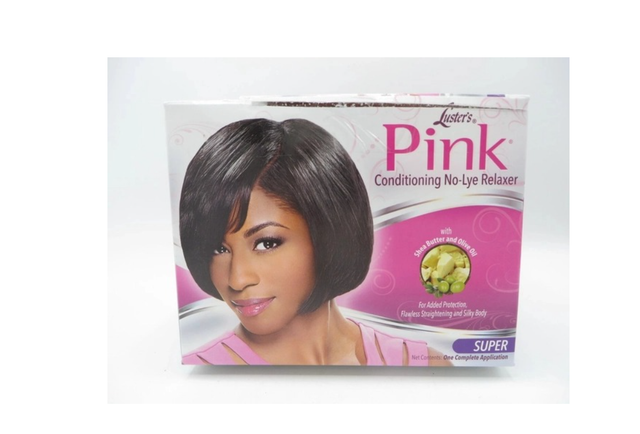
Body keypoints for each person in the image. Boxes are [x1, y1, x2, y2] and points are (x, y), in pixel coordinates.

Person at [179, 118, 450, 366]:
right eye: (219, 249)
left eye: (266, 243)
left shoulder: (419, 363)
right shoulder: (206, 379)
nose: (237, 280)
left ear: (329, 234)